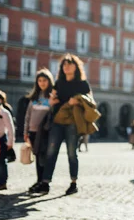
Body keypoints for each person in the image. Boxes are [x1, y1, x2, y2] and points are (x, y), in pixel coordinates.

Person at [33, 54, 93, 195]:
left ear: (75, 66)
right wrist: (52, 102)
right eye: (64, 65)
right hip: (57, 121)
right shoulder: (59, 83)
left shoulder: (83, 84)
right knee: (51, 152)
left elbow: (91, 102)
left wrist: (78, 102)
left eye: (69, 64)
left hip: (73, 122)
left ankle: (73, 183)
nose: (66, 66)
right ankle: (45, 182)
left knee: (72, 153)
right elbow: (51, 100)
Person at [24, 68, 54, 193]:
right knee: (37, 156)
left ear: (49, 81)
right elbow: (28, 115)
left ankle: (44, 182)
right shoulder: (34, 97)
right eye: (39, 80)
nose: (42, 83)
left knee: (44, 157)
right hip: (33, 132)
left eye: (44, 80)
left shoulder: (52, 97)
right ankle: (39, 180)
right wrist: (26, 132)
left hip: (45, 132)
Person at [0, 94, 15, 191]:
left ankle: (2, 182)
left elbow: (10, 128)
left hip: (1, 138)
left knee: (1, 161)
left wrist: (10, 142)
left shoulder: (4, 112)